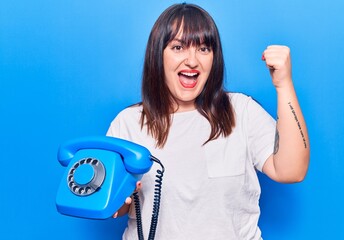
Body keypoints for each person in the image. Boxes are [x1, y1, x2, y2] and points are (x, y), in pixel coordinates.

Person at [107, 3, 310, 240]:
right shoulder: (128, 123)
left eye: (203, 48)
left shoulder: (241, 111)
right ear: (158, 55)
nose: (192, 61)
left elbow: (292, 171)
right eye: (178, 47)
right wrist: (120, 197)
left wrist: (283, 84)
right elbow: (116, 208)